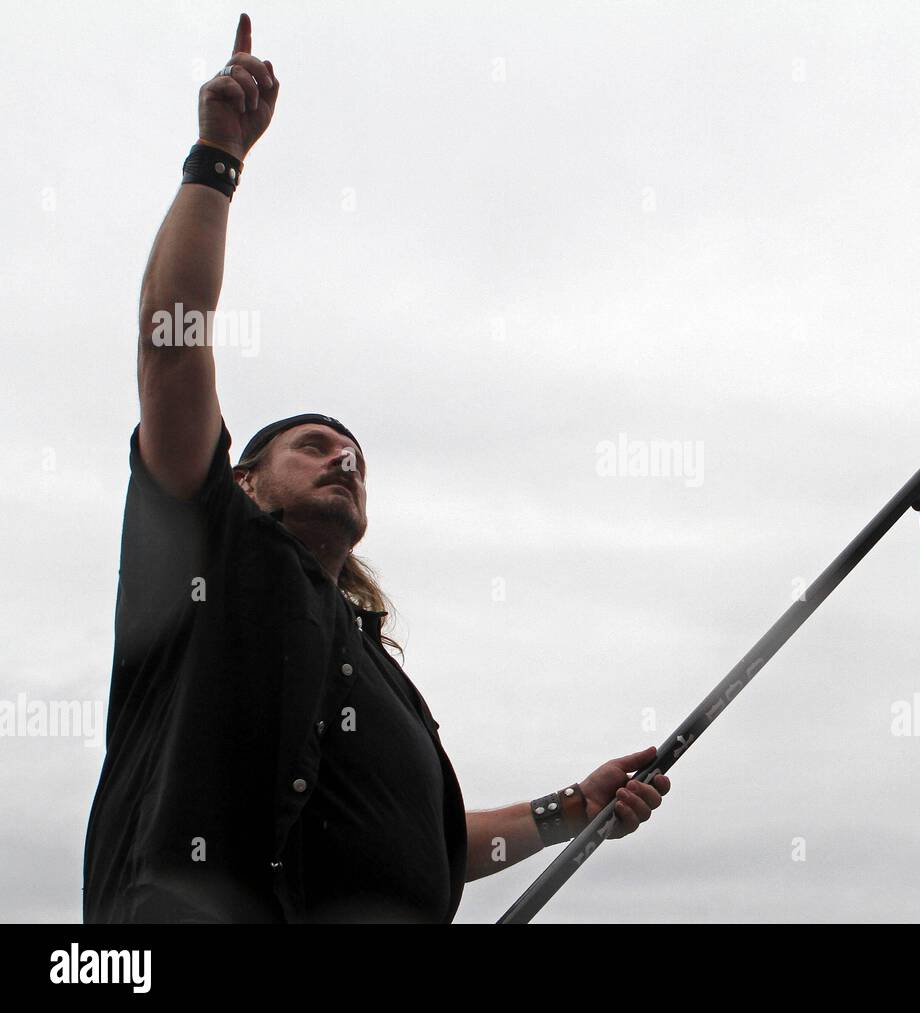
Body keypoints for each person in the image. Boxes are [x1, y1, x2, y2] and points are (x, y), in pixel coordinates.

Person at [83, 13, 670, 924]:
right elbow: (172, 335)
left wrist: (571, 809)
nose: (344, 457)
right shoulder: (213, 551)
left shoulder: (372, 661)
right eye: (312, 445)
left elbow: (438, 846)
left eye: (354, 451)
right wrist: (218, 154)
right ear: (243, 480)